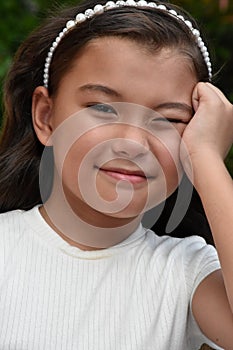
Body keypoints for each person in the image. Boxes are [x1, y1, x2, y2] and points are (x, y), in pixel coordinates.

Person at [0, 0, 232, 349]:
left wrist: (208, 160)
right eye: (103, 108)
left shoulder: (186, 272)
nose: (133, 143)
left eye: (169, 120)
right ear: (46, 117)